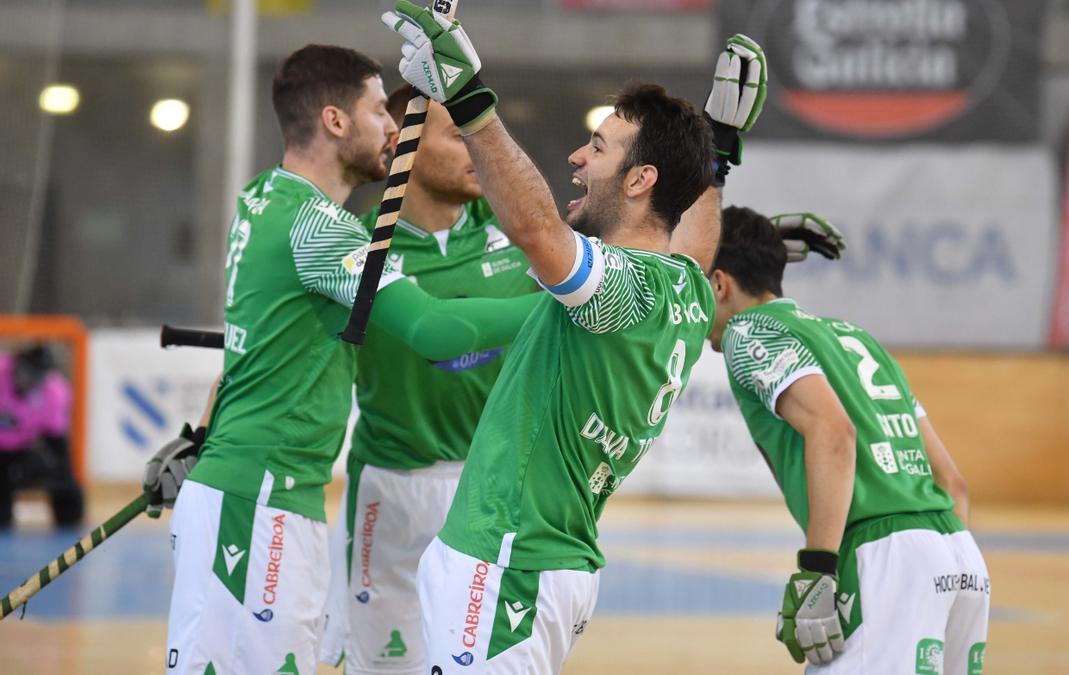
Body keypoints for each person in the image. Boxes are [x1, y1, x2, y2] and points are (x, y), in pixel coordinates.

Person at [382, 5, 767, 672]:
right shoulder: (687, 285)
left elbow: (538, 234)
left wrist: (470, 98)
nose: (577, 157)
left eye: (599, 148)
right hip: (544, 564)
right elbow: (696, 240)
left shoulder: (624, 286)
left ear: (640, 180)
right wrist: (718, 150)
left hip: (509, 562)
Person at [154, 44, 540, 675]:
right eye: (376, 112)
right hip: (265, 500)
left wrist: (202, 436)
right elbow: (438, 331)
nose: (393, 128)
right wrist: (571, 303)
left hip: (246, 489)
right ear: (335, 122)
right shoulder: (321, 230)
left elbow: (253, 346)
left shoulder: (262, 199)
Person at [707, 206, 988, 673]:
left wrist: (817, 570)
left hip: (884, 557)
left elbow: (834, 431)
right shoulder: (858, 339)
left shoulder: (746, 329)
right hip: (959, 552)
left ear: (719, 285)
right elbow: (953, 482)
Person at [318, 86, 538, 674]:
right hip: (387, 493)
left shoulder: (525, 236)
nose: (479, 150)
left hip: (490, 493)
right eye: (458, 136)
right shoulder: (354, 248)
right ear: (404, 149)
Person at [0, 345, 81, 528]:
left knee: (65, 485)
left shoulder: (54, 393)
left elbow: (56, 441)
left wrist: (64, 479)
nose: (34, 381)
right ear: (17, 367)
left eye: (40, 376)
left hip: (23, 451)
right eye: (30, 373)